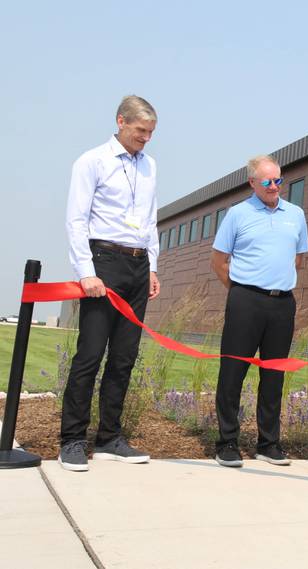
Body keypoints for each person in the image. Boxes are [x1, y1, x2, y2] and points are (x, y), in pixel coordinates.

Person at [61, 95, 160, 471]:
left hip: (138, 264)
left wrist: (153, 267)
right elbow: (76, 219)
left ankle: (109, 438)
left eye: (151, 133)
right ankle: (71, 440)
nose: (145, 139)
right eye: (140, 131)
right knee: (89, 355)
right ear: (120, 122)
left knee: (124, 358)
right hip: (104, 261)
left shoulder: (150, 165)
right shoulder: (92, 161)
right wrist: (86, 271)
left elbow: (150, 220)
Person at [210, 155, 308, 468]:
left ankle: (269, 444)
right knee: (232, 372)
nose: (274, 186)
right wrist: (242, 290)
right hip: (245, 301)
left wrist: (274, 284)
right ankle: (227, 443)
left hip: (282, 303)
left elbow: (298, 259)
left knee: (274, 375)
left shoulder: (296, 214)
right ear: (252, 182)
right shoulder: (237, 214)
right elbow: (218, 260)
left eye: (279, 180)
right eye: (267, 181)